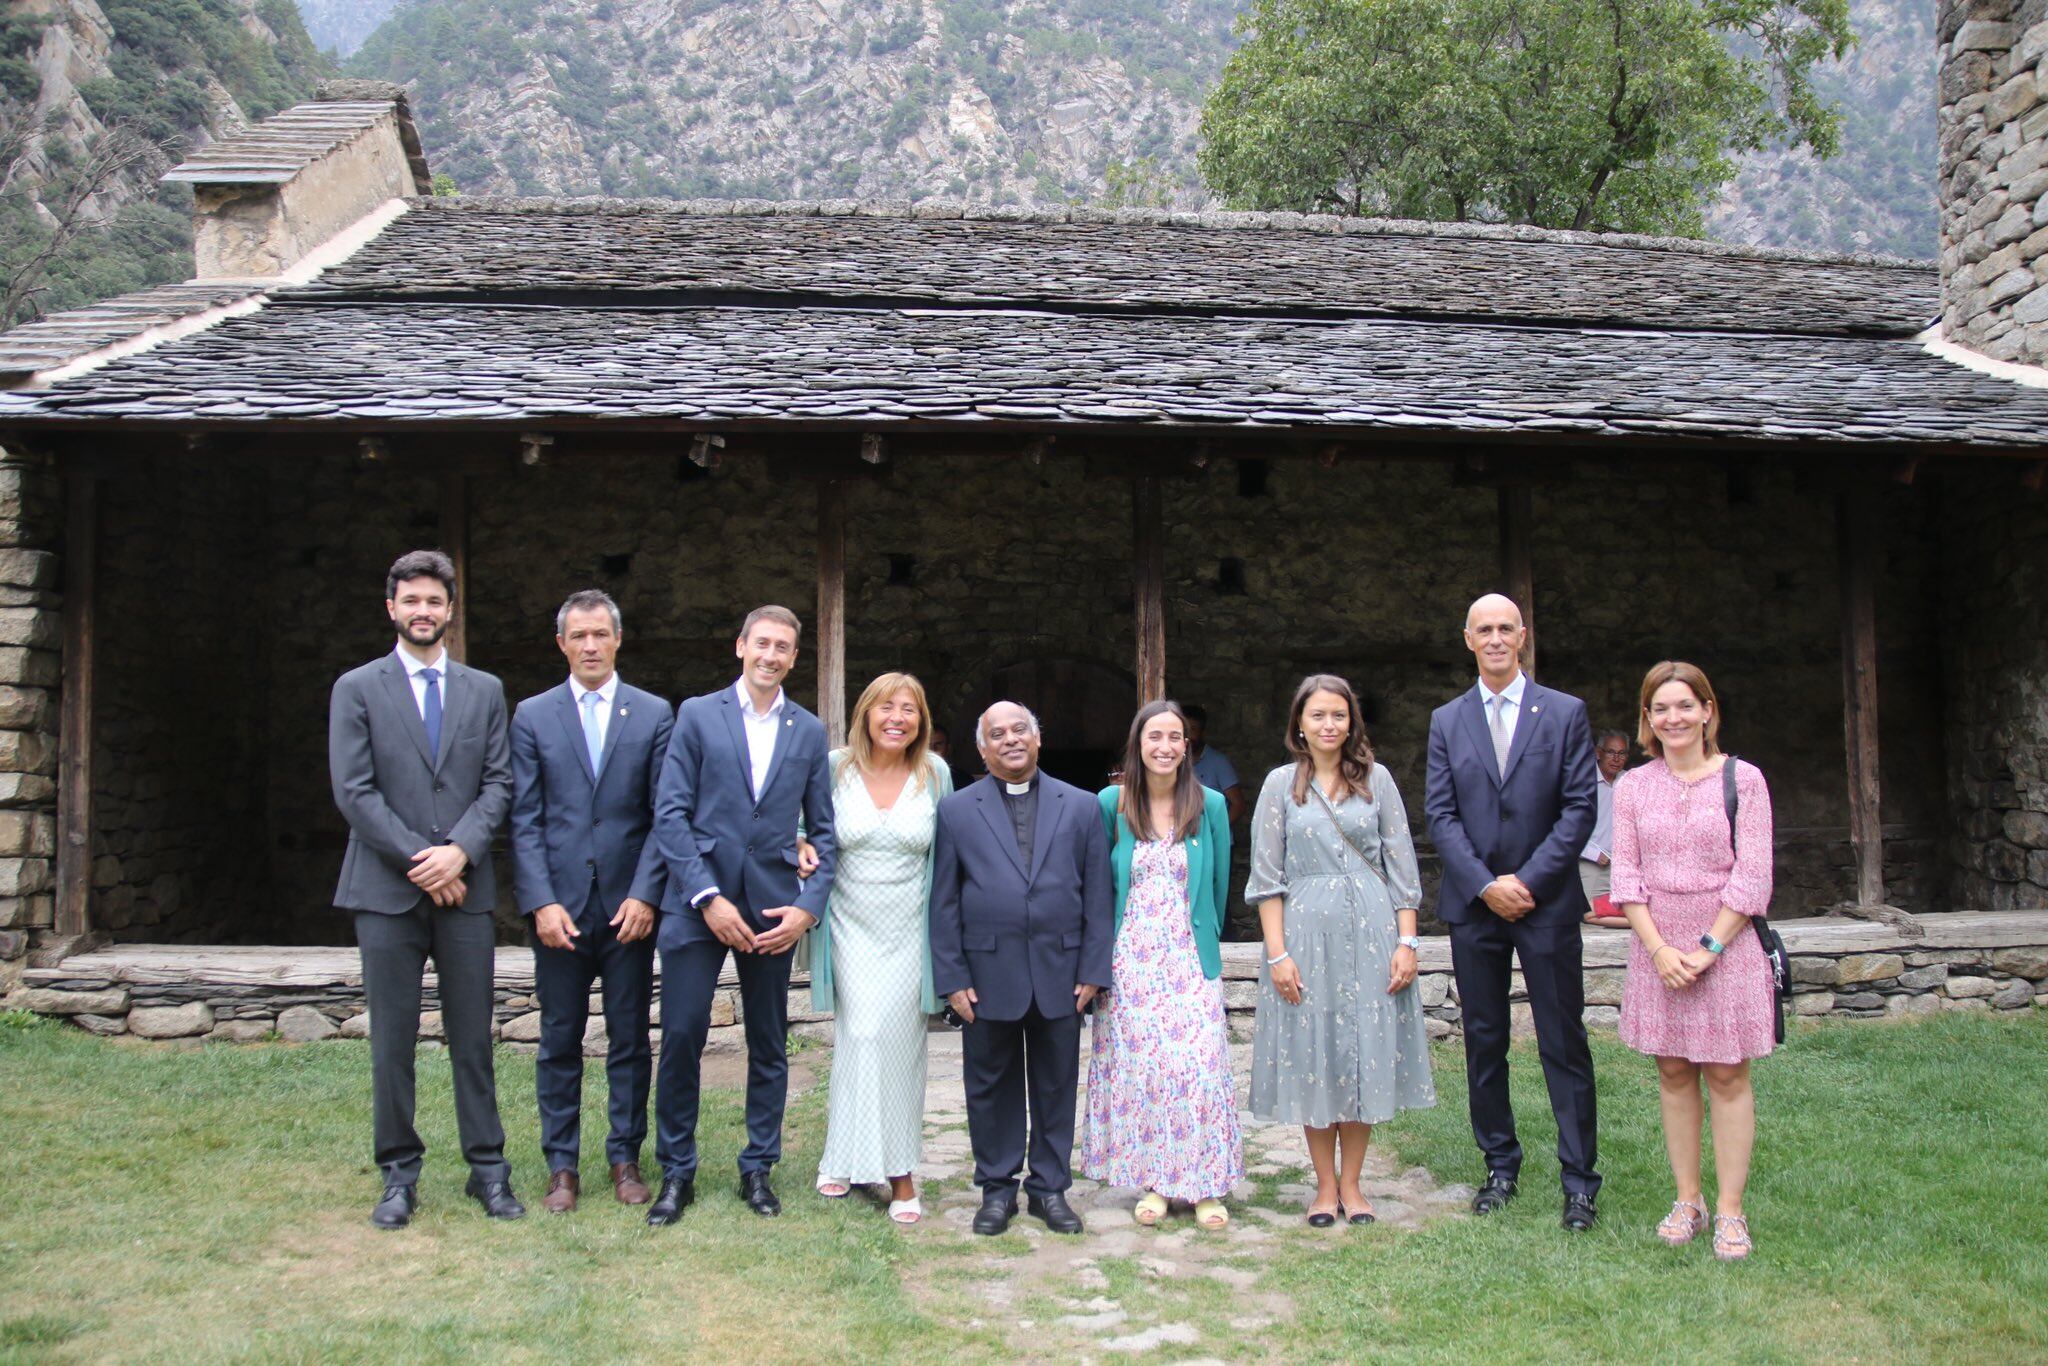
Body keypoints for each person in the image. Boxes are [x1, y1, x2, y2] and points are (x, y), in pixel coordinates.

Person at [328, 549, 519, 1228]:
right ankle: (398, 1174)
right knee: (393, 1039)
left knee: (473, 1035)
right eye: (411, 600)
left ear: (450, 609)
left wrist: (460, 852)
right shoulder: (357, 687)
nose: (423, 612)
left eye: (434, 601)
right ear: (392, 608)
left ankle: (488, 1169)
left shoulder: (484, 690)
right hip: (386, 890)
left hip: (466, 891)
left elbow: (499, 782)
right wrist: (423, 858)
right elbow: (354, 790)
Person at [649, 605, 837, 1225]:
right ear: (741, 647)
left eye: (783, 647)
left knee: (767, 1041)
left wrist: (807, 911)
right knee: (681, 1035)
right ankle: (677, 1170)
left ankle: (759, 1167)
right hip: (698, 903)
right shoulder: (699, 715)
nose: (771, 655)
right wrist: (707, 897)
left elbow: (824, 833)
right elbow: (671, 815)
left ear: (793, 657)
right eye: (762, 643)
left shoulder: (809, 731)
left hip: (772, 907)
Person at [1424, 593, 1601, 1231]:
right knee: (1486, 1040)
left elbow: (1580, 806)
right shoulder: (1447, 720)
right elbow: (1439, 814)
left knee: (1563, 1040)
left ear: (1522, 636)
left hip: (1545, 902)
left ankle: (1579, 1181)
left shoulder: (1564, 712)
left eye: (1506, 628)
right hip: (1475, 908)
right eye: (1484, 630)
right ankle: (1500, 1164)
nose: (1496, 638)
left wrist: (1525, 880)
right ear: (1467, 639)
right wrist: (1484, 884)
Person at [508, 589, 673, 1213]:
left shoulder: (654, 714)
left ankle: (625, 1157)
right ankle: (561, 1165)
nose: (590, 646)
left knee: (629, 1037)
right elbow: (524, 820)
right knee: (559, 1036)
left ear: (618, 639)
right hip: (561, 910)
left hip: (629, 909)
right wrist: (540, 902)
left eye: (600, 634)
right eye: (578, 636)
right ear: (562, 644)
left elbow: (665, 815)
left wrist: (646, 894)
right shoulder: (533, 714)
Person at [1249, 675, 1434, 1227]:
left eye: (1339, 716)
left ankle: (1353, 1184)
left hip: (1373, 930)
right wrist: (1278, 954)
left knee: (1364, 1051)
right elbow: (1266, 876)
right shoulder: (1279, 785)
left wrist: (1407, 941)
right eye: (1318, 716)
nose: (1329, 725)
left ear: (1351, 723)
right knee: (1317, 1052)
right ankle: (1323, 1187)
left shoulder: (1377, 781)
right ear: (1299, 726)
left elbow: (1402, 869)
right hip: (1305, 931)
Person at [1611, 661, 1775, 1261]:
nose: (1673, 718)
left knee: (1727, 1073)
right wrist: (1658, 950)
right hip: (1655, 944)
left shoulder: (1745, 780)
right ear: (1647, 719)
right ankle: (1689, 1198)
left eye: (1685, 705)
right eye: (1661, 708)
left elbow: (1753, 877)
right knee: (1674, 1071)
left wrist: (1707, 950)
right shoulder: (1632, 786)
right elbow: (1625, 877)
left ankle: (1731, 1208)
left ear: (1708, 710)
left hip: (1724, 943)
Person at [929, 700, 1112, 1237]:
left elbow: (1098, 894)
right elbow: (942, 901)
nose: (1010, 740)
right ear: (982, 748)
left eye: (1019, 730)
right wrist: (951, 976)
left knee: (1056, 1084)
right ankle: (997, 1190)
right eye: (997, 734)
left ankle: (1050, 1190)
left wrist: (1094, 968)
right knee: (989, 1085)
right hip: (986, 974)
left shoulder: (1080, 807)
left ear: (1038, 739)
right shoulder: (957, 811)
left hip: (1062, 970)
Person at [1084, 700, 1242, 1230]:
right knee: (1147, 1075)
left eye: (1175, 737)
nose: (1166, 746)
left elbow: (1218, 885)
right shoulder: (1111, 803)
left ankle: (1205, 1187)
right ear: (1138, 744)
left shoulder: (1211, 805)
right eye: (1155, 736)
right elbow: (1097, 886)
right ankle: (1154, 1182)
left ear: (1188, 746)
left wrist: (1204, 942)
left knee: (1198, 1071)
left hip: (1188, 960)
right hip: (1129, 962)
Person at [812, 672, 953, 1224]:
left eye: (910, 709)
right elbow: (803, 827)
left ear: (922, 721)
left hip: (909, 933)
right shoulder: (834, 768)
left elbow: (950, 854)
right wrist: (800, 845)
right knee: (861, 1035)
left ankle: (896, 1168)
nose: (897, 718)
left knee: (899, 1045)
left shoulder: (934, 773)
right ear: (866, 713)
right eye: (886, 707)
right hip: (848, 926)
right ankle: (848, 1157)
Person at [1581, 730, 1632, 927]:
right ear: (1598, 752)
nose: (1616, 759)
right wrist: (1592, 853)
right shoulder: (1582, 782)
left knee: (1632, 909)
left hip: (1624, 866)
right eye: (1611, 752)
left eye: (1622, 753)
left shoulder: (1630, 782)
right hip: (1592, 864)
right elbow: (1562, 825)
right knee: (1588, 914)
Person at [1183, 703, 1248, 825]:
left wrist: (1216, 832)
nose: (1188, 736)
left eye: (1193, 729)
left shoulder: (1218, 762)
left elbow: (1239, 805)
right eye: (1184, 730)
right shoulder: (1174, 764)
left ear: (1202, 733)